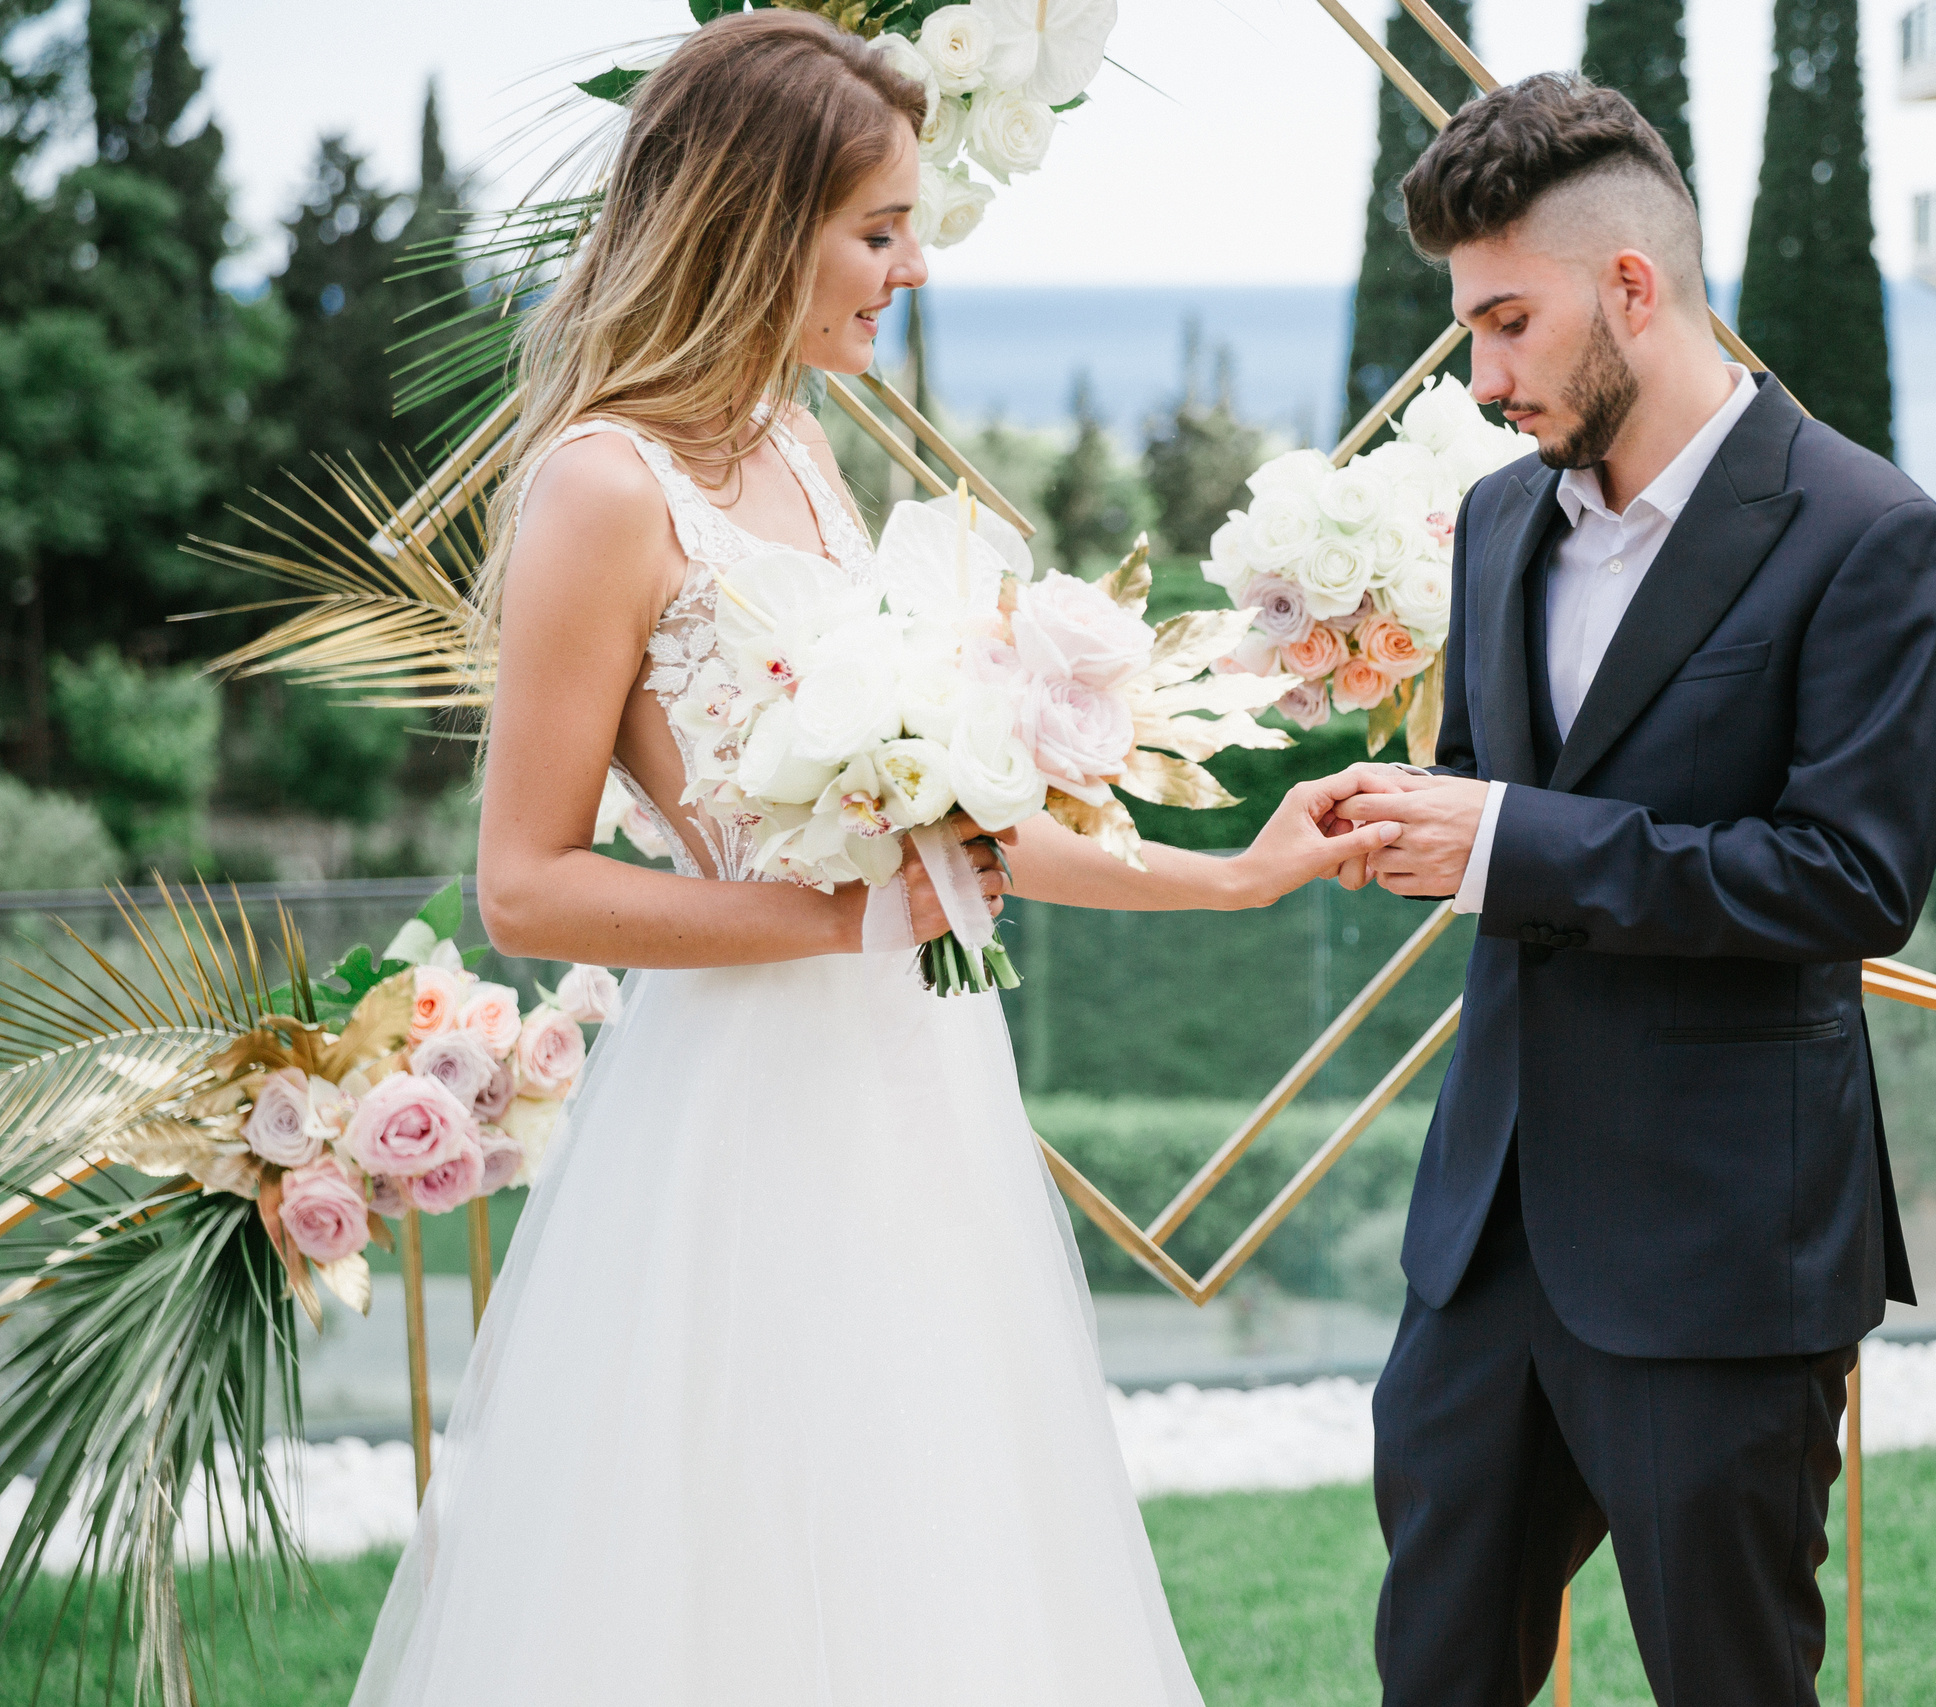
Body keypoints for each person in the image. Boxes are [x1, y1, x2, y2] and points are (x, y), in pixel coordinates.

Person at [350, 16, 1395, 1703]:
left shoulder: (799, 449)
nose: (911, 266)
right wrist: (841, 911)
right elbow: (526, 887)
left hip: (923, 1099)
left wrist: (1231, 872)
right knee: (736, 1571)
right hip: (737, 1129)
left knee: (951, 1561)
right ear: (758, 223)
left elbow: (951, 837)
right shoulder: (604, 489)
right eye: (878, 228)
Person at [1319, 74, 1936, 1707]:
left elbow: (1852, 880)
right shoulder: (1491, 521)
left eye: (1507, 324)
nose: (1483, 376)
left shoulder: (1867, 533)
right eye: (1470, 329)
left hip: (1720, 1245)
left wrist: (1503, 842)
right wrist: (1416, 829)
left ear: (1632, 286)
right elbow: (1495, 799)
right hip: (1488, 1235)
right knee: (1433, 1674)